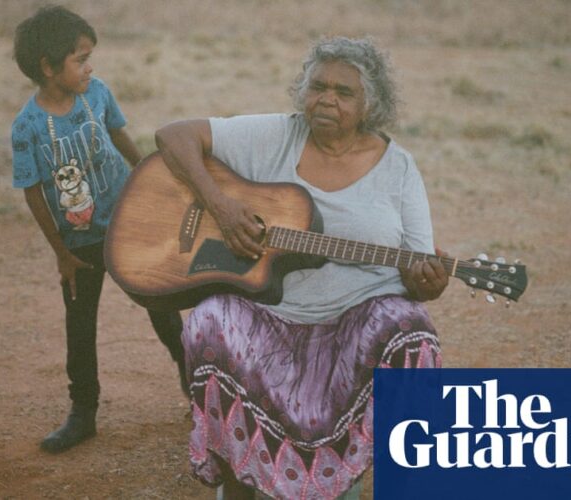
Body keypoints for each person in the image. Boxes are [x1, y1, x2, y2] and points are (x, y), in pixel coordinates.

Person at [155, 36, 448, 499]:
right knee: (209, 322)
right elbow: (173, 136)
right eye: (318, 86)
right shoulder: (277, 134)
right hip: (267, 313)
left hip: (352, 323)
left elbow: (418, 270)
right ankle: (238, 476)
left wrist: (428, 284)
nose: (326, 99)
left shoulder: (399, 169)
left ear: (371, 103)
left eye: (344, 92)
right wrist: (222, 206)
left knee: (414, 333)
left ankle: (348, 471)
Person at [10, 5, 184, 454]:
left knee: (163, 307)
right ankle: (82, 413)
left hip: (128, 222)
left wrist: (148, 173)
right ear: (48, 67)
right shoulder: (27, 127)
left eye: (89, 57)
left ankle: (198, 389)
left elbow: (119, 133)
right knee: (80, 326)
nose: (90, 67)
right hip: (79, 242)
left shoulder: (98, 92)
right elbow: (32, 192)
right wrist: (61, 253)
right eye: (80, 59)